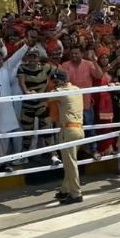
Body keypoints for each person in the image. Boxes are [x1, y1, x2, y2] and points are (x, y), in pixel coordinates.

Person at [17, 48, 61, 166]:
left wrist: (54, 90)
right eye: (30, 56)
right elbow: (22, 83)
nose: (32, 59)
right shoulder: (22, 68)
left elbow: (60, 74)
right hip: (28, 104)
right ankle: (24, 155)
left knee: (47, 129)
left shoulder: (45, 67)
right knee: (27, 131)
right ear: (27, 57)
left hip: (42, 103)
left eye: (34, 56)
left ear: (38, 58)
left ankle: (53, 155)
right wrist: (27, 93)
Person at [47, 71, 84, 205]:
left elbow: (45, 97)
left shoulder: (60, 92)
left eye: (56, 82)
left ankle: (76, 193)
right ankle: (65, 189)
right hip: (79, 129)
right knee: (70, 162)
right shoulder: (76, 89)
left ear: (61, 82)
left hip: (68, 130)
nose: (54, 85)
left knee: (70, 164)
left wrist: (51, 86)